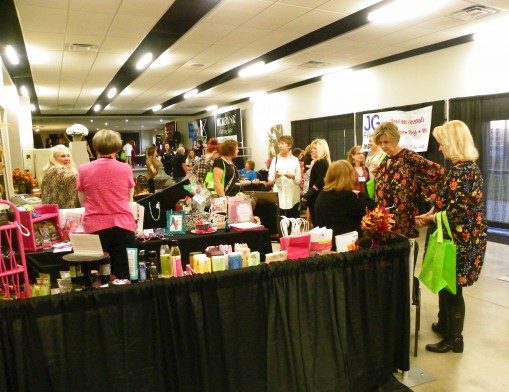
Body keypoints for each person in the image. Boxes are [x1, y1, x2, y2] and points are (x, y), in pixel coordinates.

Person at [415, 120, 487, 354]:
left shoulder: (461, 172)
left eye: (442, 143)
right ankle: (445, 325)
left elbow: (456, 212)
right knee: (447, 283)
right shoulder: (468, 169)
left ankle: (454, 338)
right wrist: (433, 211)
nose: (440, 148)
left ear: (453, 143)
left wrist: (429, 219)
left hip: (459, 241)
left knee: (453, 288)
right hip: (463, 238)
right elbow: (450, 203)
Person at [77, 129, 136, 280]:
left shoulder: (84, 169)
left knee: (96, 275)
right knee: (123, 274)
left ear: (95, 148)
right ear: (118, 148)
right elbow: (129, 197)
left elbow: (83, 200)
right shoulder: (125, 168)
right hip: (123, 226)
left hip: (95, 227)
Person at [373, 121, 445, 238]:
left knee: (403, 251)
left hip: (402, 217)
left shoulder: (409, 156)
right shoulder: (385, 158)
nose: (383, 146)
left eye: (386, 142)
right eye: (380, 143)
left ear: (395, 139)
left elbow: (439, 172)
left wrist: (419, 190)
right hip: (384, 217)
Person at [314, 160, 376, 244]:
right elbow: (371, 207)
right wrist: (361, 194)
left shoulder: (323, 193)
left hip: (328, 241)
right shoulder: (345, 196)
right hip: (346, 245)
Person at [268, 135, 301, 219]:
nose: (280, 146)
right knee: (280, 219)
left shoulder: (295, 160)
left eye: (282, 143)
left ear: (289, 146)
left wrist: (292, 176)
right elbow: (270, 179)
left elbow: (299, 179)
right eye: (279, 144)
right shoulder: (275, 160)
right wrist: (275, 176)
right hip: (279, 193)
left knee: (293, 219)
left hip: (292, 194)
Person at [301, 138, 331, 226]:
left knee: (318, 224)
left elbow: (319, 181)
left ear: (321, 149)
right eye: (312, 148)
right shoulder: (322, 162)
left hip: (317, 198)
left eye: (314, 148)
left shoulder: (320, 163)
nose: (312, 150)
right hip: (318, 197)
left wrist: (308, 194)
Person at [40, 144, 80, 209]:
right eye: (63, 156)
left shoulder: (51, 170)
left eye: (68, 155)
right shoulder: (56, 170)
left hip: (54, 212)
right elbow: (79, 179)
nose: (67, 159)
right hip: (62, 213)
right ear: (54, 159)